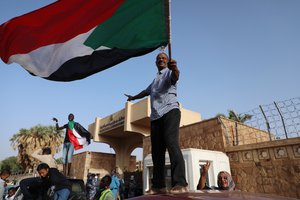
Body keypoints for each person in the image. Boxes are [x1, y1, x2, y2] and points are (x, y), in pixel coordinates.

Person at [125, 52, 188, 194]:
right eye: (159, 58)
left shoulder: (169, 73)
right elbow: (146, 91)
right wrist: (133, 97)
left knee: (171, 143)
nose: (161, 59)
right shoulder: (154, 81)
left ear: (167, 62)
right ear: (156, 62)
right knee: (157, 151)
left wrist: (175, 68)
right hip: (155, 117)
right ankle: (159, 186)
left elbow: (175, 77)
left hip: (170, 111)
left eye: (164, 58)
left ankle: (180, 183)